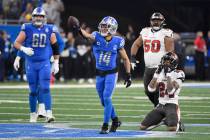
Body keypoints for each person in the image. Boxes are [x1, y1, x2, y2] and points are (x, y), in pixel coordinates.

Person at [71, 16, 132, 134]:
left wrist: (128, 74)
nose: (103, 28)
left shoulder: (118, 41)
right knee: (103, 101)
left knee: (107, 97)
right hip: (99, 73)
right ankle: (115, 120)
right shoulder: (96, 36)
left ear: (112, 28)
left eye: (106, 26)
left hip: (111, 73)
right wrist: (79, 29)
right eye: (102, 26)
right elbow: (87, 35)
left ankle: (105, 125)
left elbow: (125, 58)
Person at [13, 7, 60, 123]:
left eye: (41, 16)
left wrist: (56, 62)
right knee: (33, 90)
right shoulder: (27, 28)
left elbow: (55, 47)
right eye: (36, 16)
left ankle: (49, 113)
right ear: (32, 17)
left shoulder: (49, 29)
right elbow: (16, 43)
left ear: (44, 18)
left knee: (45, 87)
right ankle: (33, 114)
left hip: (44, 63)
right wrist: (23, 50)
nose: (38, 18)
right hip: (31, 63)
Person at [131, 12, 174, 107]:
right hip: (148, 68)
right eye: (154, 21)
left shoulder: (166, 33)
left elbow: (170, 51)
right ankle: (159, 110)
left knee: (158, 92)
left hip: (160, 68)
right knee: (148, 91)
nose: (156, 23)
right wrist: (133, 57)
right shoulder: (145, 31)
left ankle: (158, 111)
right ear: (151, 21)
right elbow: (136, 44)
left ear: (162, 22)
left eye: (158, 21)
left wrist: (167, 66)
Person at [140, 52, 185, 131]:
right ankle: (164, 120)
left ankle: (176, 121)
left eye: (168, 62)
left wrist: (168, 75)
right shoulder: (160, 74)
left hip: (172, 105)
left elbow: (170, 91)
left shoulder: (179, 73)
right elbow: (150, 89)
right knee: (142, 127)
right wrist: (156, 74)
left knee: (172, 128)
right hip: (160, 105)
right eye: (165, 61)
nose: (166, 64)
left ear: (174, 64)